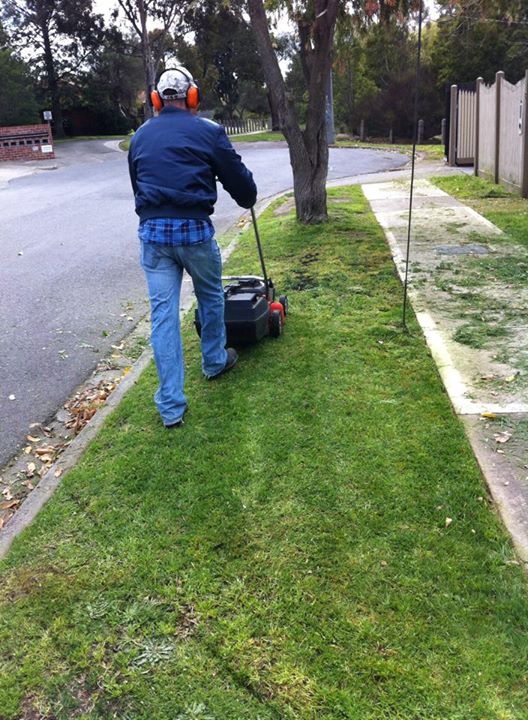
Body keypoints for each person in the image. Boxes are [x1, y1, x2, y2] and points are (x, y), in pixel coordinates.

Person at [128, 67, 257, 428]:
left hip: (153, 236)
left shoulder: (138, 137)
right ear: (193, 98)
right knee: (211, 295)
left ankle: (170, 407)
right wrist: (247, 193)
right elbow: (243, 189)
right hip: (194, 233)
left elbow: (138, 187)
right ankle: (214, 361)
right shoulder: (209, 132)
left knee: (163, 316)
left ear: (157, 100)